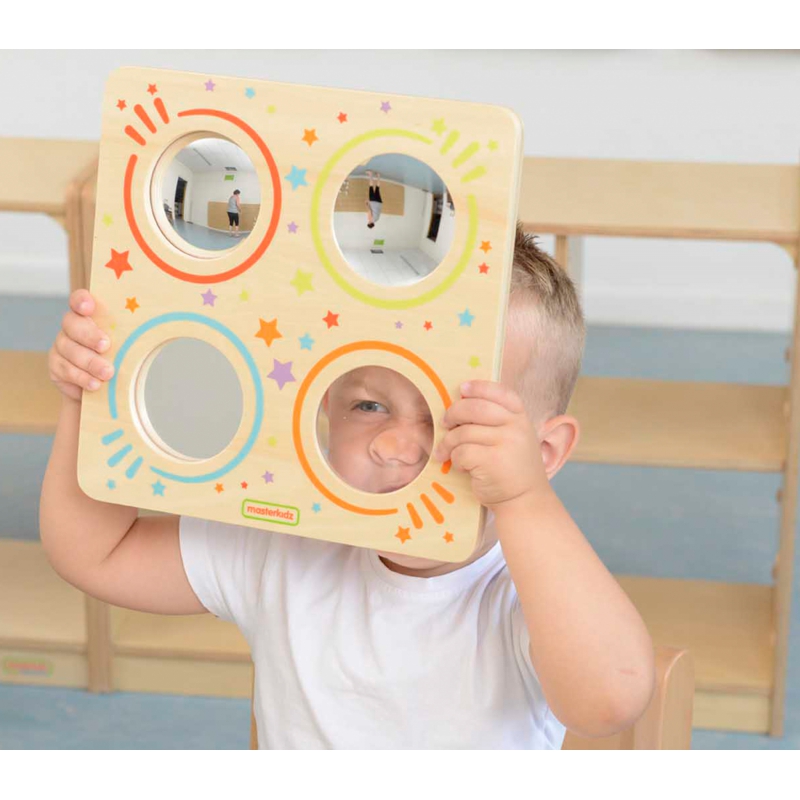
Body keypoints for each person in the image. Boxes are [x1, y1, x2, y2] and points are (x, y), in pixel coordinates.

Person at [40, 222, 654, 749]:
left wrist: (524, 500)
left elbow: (608, 700)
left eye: (456, 421)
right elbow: (97, 554)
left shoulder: (526, 593)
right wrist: (90, 397)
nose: (394, 445)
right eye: (368, 406)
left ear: (542, 454)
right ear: (325, 405)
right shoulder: (285, 544)